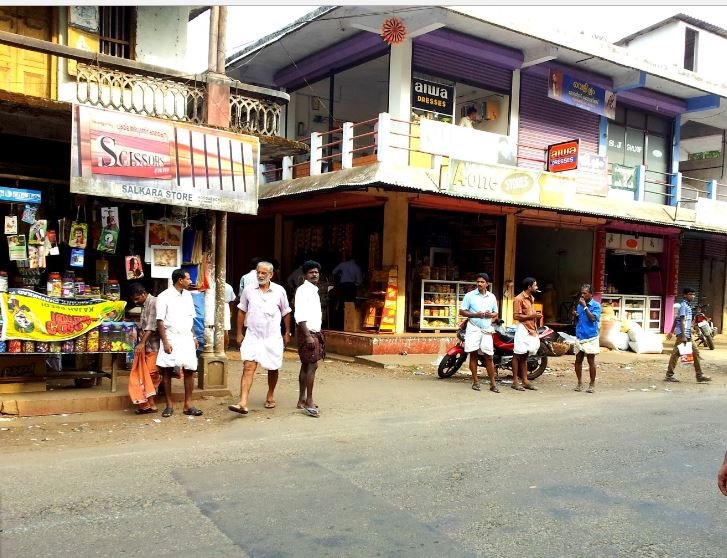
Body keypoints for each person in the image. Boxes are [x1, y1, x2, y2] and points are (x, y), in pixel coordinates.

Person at [228, 261, 292, 415]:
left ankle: (270, 394)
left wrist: (287, 332)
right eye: (258, 272)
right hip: (253, 335)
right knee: (248, 366)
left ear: (271, 274)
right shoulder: (249, 290)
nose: (260, 275)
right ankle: (243, 402)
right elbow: (241, 311)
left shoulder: (279, 291)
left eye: (264, 273)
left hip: (272, 336)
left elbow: (286, 312)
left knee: (273, 367)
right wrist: (239, 333)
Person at [155, 268, 203, 417]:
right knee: (168, 370)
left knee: (189, 369)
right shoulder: (164, 296)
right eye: (188, 278)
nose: (190, 281)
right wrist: (165, 342)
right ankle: (169, 405)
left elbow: (191, 318)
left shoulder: (188, 295)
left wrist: (194, 337)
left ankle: (188, 404)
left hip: (186, 336)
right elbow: (160, 321)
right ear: (180, 280)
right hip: (171, 337)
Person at [459, 273, 499, 393]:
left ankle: (493, 383)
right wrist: (476, 314)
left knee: (489, 356)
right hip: (473, 328)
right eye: (478, 282)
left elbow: (495, 313)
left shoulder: (491, 297)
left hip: (486, 328)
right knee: (473, 355)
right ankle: (475, 381)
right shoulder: (469, 296)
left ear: (487, 284)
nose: (479, 284)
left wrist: (490, 314)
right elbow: (462, 311)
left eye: (482, 282)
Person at [294, 260, 325, 417]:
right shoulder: (303, 290)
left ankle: (301, 399)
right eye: (311, 272)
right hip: (308, 333)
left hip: (313, 332)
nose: (315, 275)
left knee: (306, 365)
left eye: (316, 272)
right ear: (305, 275)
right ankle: (309, 400)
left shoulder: (313, 290)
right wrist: (308, 336)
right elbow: (300, 315)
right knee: (311, 366)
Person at [665, 287, 711, 383]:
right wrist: (683, 335)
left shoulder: (688, 306)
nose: (693, 296)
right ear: (685, 295)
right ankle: (669, 375)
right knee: (676, 353)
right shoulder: (683, 306)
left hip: (687, 333)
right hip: (683, 333)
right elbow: (681, 320)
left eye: (693, 294)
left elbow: (676, 319)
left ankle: (699, 375)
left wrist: (671, 331)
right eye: (690, 294)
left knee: (695, 352)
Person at [128, 283, 160, 414]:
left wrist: (141, 343)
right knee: (145, 374)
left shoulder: (153, 302)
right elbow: (144, 325)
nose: (136, 302)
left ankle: (150, 404)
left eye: (137, 299)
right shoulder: (145, 304)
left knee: (151, 374)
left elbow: (151, 327)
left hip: (155, 345)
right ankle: (148, 404)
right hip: (148, 345)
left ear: (143, 294)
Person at [512, 277, 541, 391]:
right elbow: (516, 316)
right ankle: (515, 381)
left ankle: (525, 381)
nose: (536, 287)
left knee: (524, 356)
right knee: (517, 354)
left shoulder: (531, 298)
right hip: (523, 329)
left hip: (530, 328)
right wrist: (532, 316)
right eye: (535, 285)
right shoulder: (519, 299)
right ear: (529, 287)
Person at [572, 284, 601, 393]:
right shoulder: (579, 305)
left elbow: (593, 318)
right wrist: (576, 315)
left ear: (591, 294)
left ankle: (592, 384)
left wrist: (584, 306)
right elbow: (578, 320)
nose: (582, 295)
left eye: (585, 293)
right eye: (582, 293)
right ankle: (579, 383)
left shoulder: (596, 305)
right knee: (578, 360)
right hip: (580, 335)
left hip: (590, 337)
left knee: (590, 360)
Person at [332, 252, 363, 327]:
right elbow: (359, 281)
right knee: (351, 304)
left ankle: (339, 323)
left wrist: (340, 275)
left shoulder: (343, 264)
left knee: (341, 303)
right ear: (356, 259)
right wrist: (355, 284)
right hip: (351, 286)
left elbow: (333, 272)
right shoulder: (357, 267)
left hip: (342, 286)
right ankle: (349, 324)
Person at [223, 281, 236, 349]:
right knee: (226, 329)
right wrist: (231, 310)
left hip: (218, 305)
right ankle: (225, 347)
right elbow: (233, 300)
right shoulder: (228, 286)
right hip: (226, 306)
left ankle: (225, 346)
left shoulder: (213, 285)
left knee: (225, 329)